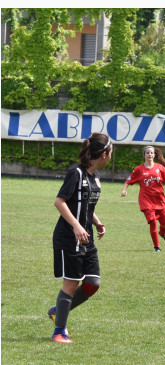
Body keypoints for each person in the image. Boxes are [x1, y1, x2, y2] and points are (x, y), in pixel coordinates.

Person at [47, 132, 112, 343]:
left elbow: (85, 206)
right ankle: (59, 332)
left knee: (93, 283)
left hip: (86, 237)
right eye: (111, 152)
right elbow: (60, 201)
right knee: (71, 284)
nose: (111, 156)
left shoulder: (95, 177)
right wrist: (75, 226)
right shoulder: (76, 173)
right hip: (69, 237)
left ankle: (59, 309)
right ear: (103, 154)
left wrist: (97, 222)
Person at [121, 146, 165, 252]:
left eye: (151, 153)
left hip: (160, 200)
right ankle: (157, 247)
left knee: (164, 224)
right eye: (147, 153)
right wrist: (124, 190)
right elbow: (128, 180)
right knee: (153, 222)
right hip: (146, 201)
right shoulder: (139, 169)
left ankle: (163, 233)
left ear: (154, 155)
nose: (150, 154)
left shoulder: (160, 168)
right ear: (144, 155)